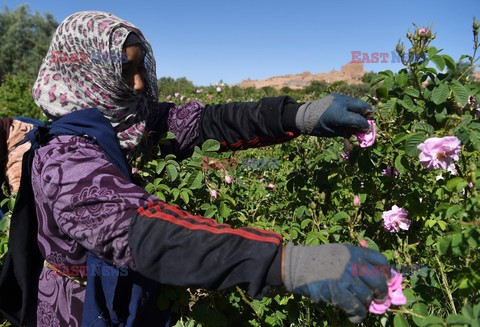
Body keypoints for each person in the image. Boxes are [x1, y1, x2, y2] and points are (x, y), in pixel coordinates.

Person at [23, 10, 391, 326]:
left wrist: (299, 115)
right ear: (86, 71)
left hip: (138, 296)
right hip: (83, 310)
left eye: (139, 68)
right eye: (124, 70)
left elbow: (208, 123)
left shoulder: (131, 121)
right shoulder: (65, 159)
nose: (137, 85)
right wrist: (290, 263)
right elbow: (149, 234)